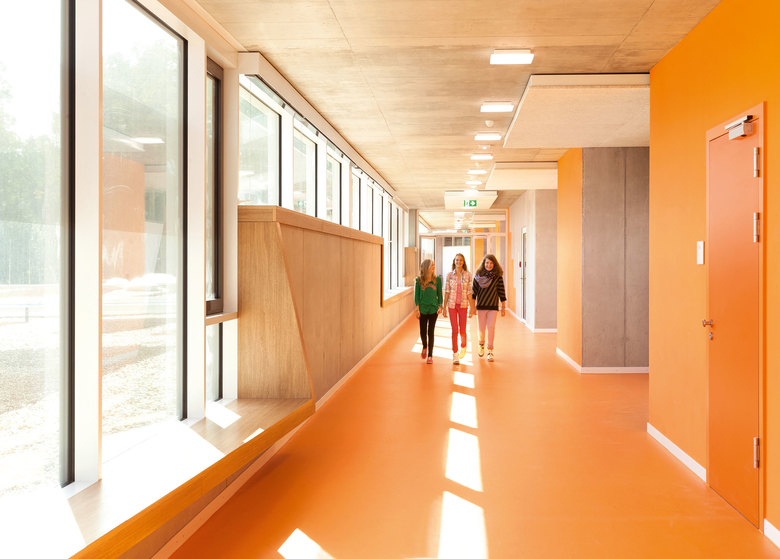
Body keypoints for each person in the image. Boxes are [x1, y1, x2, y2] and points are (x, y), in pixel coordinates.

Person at [472, 254, 507, 362]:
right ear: (484, 263)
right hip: (481, 306)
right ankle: (481, 345)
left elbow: (501, 292)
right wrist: (472, 307)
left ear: (494, 264)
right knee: (481, 328)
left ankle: (490, 350)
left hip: (493, 306)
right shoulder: (478, 276)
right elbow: (473, 293)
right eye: (487, 262)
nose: (489, 265)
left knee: (491, 327)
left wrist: (503, 307)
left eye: (491, 263)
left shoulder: (497, 277)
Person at [442, 253, 474, 364]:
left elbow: (469, 292)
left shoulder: (468, 275)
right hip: (452, 305)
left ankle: (463, 345)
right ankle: (455, 354)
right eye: (457, 260)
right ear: (454, 261)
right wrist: (444, 307)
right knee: (455, 330)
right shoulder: (449, 275)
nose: (458, 262)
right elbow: (447, 291)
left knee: (462, 330)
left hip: (463, 305)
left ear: (463, 262)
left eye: (460, 260)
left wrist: (472, 308)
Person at [414, 259, 442, 364]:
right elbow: (416, 296)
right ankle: (425, 346)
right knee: (423, 331)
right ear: (426, 267)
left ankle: (430, 355)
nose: (434, 267)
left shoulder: (437, 279)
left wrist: (440, 306)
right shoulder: (418, 280)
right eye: (432, 265)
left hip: (433, 309)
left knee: (431, 332)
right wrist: (417, 309)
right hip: (422, 310)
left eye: (434, 265)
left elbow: (440, 294)